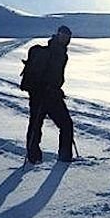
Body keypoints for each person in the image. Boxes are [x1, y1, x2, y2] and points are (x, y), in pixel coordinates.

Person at [24, 25, 74, 164]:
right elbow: (41, 74)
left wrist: (57, 88)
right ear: (57, 35)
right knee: (36, 125)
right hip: (40, 94)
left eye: (67, 36)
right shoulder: (49, 52)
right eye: (63, 35)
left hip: (52, 94)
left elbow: (56, 76)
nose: (65, 38)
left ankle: (64, 157)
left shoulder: (62, 54)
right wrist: (44, 87)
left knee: (64, 124)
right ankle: (34, 157)